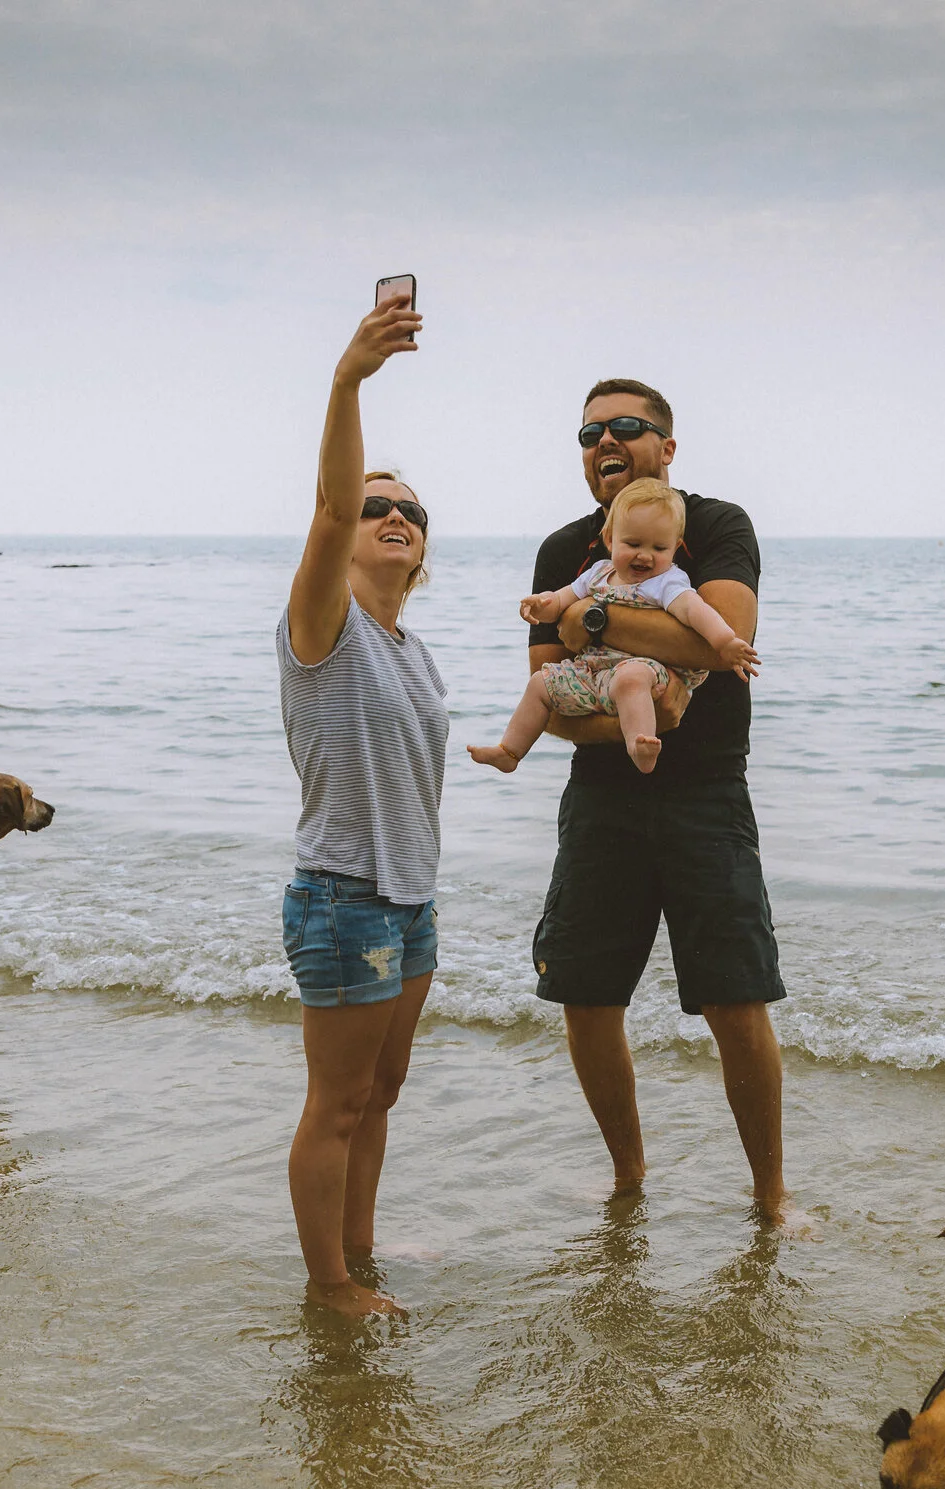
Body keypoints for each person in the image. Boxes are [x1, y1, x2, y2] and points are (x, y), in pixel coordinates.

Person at [525, 380, 792, 1221]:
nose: (604, 441)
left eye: (627, 428)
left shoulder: (716, 527)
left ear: (666, 449)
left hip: (707, 790)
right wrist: (631, 724)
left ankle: (771, 1197)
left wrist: (595, 624)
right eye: (589, 432)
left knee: (735, 994)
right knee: (587, 992)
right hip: (601, 793)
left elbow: (720, 640)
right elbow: (545, 691)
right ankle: (629, 1180)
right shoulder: (562, 547)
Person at [275, 290, 440, 1316]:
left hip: (410, 901)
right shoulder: (320, 627)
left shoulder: (411, 649)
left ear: (424, 548)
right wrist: (349, 378)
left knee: (381, 1094)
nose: (389, 516)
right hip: (343, 898)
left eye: (409, 511)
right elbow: (332, 508)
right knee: (336, 1104)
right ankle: (329, 1284)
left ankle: (360, 1249)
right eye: (377, 506)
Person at [470, 477, 758, 775]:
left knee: (630, 680)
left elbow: (695, 611)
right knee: (539, 684)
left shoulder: (667, 582)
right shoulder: (597, 574)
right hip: (594, 675)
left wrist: (725, 641)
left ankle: (639, 745)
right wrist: (541, 605)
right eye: (632, 544)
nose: (644, 555)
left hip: (645, 670)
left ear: (676, 549)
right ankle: (510, 751)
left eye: (659, 547)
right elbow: (561, 600)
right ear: (610, 540)